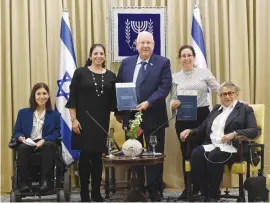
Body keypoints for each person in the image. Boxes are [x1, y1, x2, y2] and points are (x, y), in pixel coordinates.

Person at [115, 31, 172, 201]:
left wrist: (148, 102)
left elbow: (164, 87)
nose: (146, 46)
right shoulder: (126, 63)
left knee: (154, 154)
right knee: (134, 152)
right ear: (136, 45)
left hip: (154, 115)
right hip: (132, 118)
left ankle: (155, 190)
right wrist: (119, 110)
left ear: (154, 45)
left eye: (149, 43)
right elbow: (119, 86)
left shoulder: (163, 62)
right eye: (142, 43)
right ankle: (137, 189)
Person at [180, 81, 259, 202]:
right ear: (220, 96)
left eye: (230, 93)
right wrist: (189, 130)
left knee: (215, 155)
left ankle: (212, 196)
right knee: (196, 154)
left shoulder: (245, 109)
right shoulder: (216, 109)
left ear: (236, 94)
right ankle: (206, 192)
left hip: (232, 147)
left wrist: (234, 134)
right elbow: (202, 127)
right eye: (223, 94)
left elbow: (254, 130)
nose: (227, 96)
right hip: (211, 144)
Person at [65, 44, 117, 202]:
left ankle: (96, 192)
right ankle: (84, 193)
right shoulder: (80, 73)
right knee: (85, 156)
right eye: (96, 53)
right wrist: (73, 119)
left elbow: (115, 102)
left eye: (102, 53)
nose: (99, 56)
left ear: (105, 56)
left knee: (97, 157)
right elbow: (72, 98)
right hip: (83, 121)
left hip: (101, 121)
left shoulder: (111, 76)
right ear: (90, 56)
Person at [169, 44, 220, 198]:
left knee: (204, 152)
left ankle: (206, 187)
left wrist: (233, 100)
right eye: (183, 56)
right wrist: (173, 104)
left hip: (203, 117)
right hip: (184, 118)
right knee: (186, 153)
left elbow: (218, 89)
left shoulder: (204, 73)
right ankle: (188, 187)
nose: (186, 58)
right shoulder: (175, 77)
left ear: (194, 57)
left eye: (189, 55)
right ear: (180, 59)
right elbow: (172, 98)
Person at [13, 82, 60, 192]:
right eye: (38, 94)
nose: (41, 97)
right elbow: (17, 131)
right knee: (23, 148)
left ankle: (45, 181)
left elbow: (57, 133)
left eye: (44, 93)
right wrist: (20, 137)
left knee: (48, 146)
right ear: (34, 96)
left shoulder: (54, 115)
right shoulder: (23, 113)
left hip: (46, 142)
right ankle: (23, 183)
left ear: (48, 96)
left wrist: (44, 140)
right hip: (28, 141)